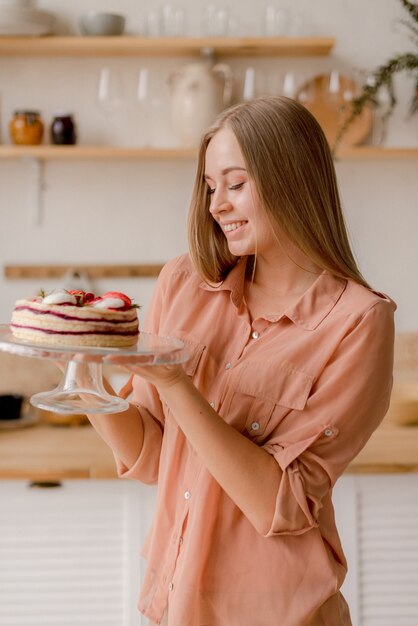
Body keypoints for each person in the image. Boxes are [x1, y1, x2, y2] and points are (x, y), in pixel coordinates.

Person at [89, 96, 396, 626]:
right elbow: (153, 458)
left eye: (235, 184)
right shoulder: (183, 284)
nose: (216, 205)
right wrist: (83, 369)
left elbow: (288, 504)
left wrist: (180, 386)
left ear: (292, 180)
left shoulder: (359, 322)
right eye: (211, 187)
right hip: (174, 603)